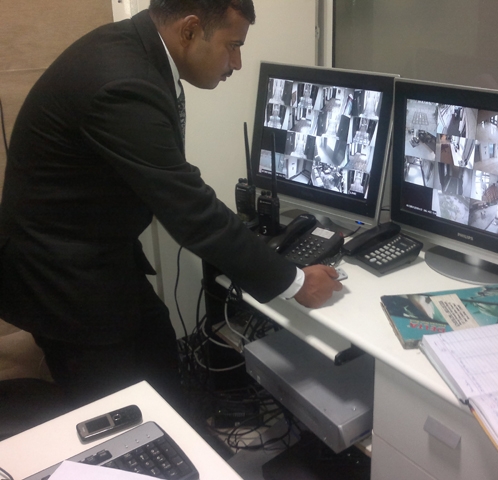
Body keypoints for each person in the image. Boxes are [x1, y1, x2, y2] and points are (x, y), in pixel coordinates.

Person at [0, 0, 342, 409]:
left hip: (98, 251)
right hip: (60, 274)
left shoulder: (136, 52)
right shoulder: (121, 82)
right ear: (190, 30)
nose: (236, 63)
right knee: (115, 410)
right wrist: (295, 282)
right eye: (233, 45)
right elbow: (191, 212)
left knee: (158, 354)